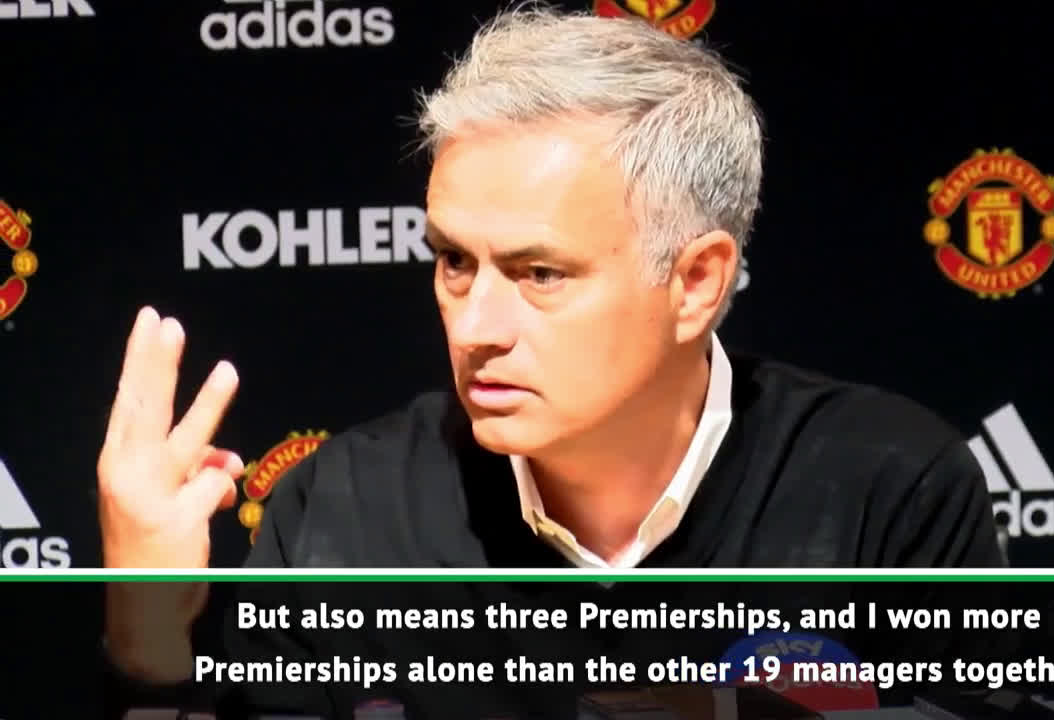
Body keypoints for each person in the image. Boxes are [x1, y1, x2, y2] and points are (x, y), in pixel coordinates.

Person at [97, 5, 1004, 717]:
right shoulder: (345, 510)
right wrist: (148, 638)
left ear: (696, 282)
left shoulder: (886, 487)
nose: (476, 325)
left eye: (540, 273)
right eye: (454, 261)